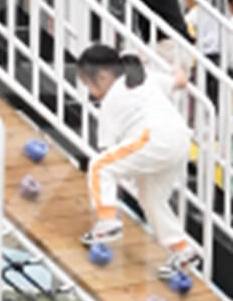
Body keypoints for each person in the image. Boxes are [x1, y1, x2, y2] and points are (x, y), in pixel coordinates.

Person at [76, 44, 199, 280]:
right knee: (151, 198)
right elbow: (181, 81)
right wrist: (176, 69)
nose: (90, 93)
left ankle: (107, 221)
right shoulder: (147, 78)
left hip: (155, 138)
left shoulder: (111, 101)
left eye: (89, 85)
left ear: (102, 77)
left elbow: (106, 151)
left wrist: (107, 189)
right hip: (180, 140)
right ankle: (182, 249)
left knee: (99, 166)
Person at [183, 0, 222, 105]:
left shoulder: (192, 15)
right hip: (216, 56)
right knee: (214, 95)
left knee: (198, 95)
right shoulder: (213, 10)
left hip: (200, 57)